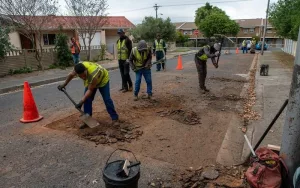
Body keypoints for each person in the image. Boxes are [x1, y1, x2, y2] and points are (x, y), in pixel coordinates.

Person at [57, 61, 119, 128]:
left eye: (84, 75)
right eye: (80, 76)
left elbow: (90, 90)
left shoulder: (93, 75)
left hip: (102, 80)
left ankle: (114, 118)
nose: (83, 78)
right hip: (91, 82)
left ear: (86, 70)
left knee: (107, 99)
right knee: (87, 100)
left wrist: (81, 102)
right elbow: (71, 75)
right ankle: (88, 120)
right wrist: (64, 84)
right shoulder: (78, 68)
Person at [117, 28, 133, 93]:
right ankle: (125, 87)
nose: (120, 34)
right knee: (122, 74)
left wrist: (128, 59)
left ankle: (130, 85)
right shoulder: (118, 41)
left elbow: (130, 50)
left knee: (126, 73)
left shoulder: (127, 40)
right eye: (119, 33)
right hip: (120, 60)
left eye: (121, 33)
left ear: (123, 33)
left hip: (126, 60)